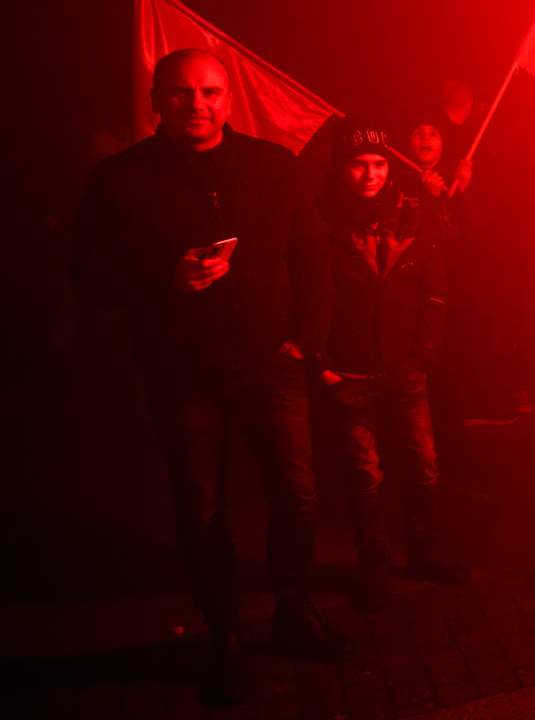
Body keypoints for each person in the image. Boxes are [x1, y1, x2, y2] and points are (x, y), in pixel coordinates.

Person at [70, 49, 347, 705]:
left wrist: (301, 341)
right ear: (157, 100)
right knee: (201, 508)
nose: (197, 104)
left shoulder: (272, 165)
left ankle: (294, 609)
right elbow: (84, 273)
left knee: (298, 497)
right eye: (182, 93)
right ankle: (223, 633)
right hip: (182, 370)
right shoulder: (119, 178)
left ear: (229, 98)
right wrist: (162, 278)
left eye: (210, 91)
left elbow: (312, 255)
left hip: (270, 363)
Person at [316, 122, 469, 613]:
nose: (370, 174)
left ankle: (424, 553)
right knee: (366, 477)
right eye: (359, 164)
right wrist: (321, 363)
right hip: (350, 371)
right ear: (342, 168)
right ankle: (374, 567)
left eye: (379, 163)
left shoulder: (412, 215)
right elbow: (308, 296)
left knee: (423, 467)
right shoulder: (321, 221)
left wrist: (423, 353)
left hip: (405, 367)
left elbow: (435, 287)